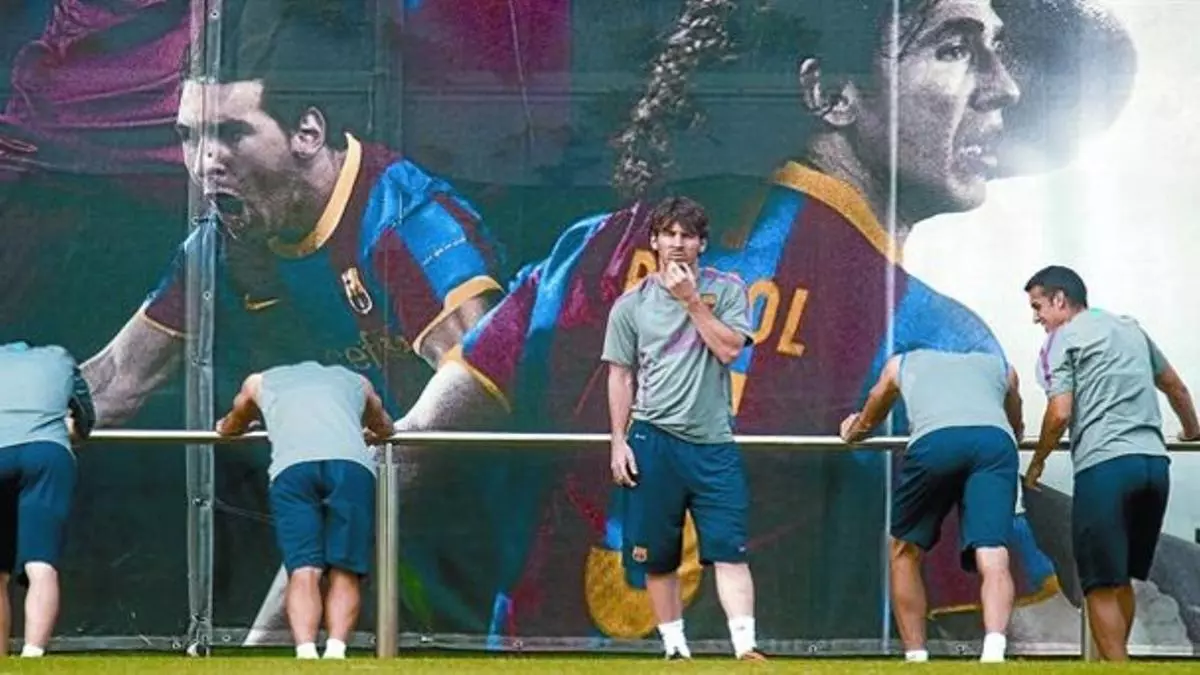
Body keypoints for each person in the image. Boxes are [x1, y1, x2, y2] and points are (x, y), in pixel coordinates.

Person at [390, 0, 1136, 643]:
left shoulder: (593, 249)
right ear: (832, 94)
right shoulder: (935, 337)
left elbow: (412, 455)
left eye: (995, 49)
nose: (1005, 86)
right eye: (954, 48)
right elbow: (1028, 629)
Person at [75, 0, 505, 640]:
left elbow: (472, 386)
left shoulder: (406, 220)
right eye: (189, 136)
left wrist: (268, 637)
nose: (205, 161)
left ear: (306, 131)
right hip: (363, 510)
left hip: (480, 524)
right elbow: (114, 381)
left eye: (230, 132)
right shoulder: (222, 245)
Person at [602, 197, 762, 661]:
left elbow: (730, 350)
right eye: (668, 234)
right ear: (653, 241)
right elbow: (620, 375)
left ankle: (746, 649)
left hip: (714, 443)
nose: (677, 243)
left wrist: (691, 301)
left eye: (687, 235)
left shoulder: (727, 290)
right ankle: (675, 650)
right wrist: (618, 442)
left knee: (729, 549)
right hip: (652, 439)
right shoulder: (630, 305)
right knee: (658, 555)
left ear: (701, 244)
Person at [1023, 265, 1200, 661]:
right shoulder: (1131, 329)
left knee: (1099, 582)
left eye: (1037, 307)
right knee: (1122, 579)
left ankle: (1117, 668)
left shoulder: (1060, 340)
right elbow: (1175, 387)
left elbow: (1060, 412)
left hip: (1105, 467)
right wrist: (1192, 432)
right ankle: (1121, 663)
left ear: (1059, 300)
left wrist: (1037, 463)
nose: (1036, 318)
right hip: (1154, 468)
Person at [840, 348, 1025, 662]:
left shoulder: (900, 364)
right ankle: (994, 651)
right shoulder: (1003, 368)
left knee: (904, 549)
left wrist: (853, 429)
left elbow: (874, 406)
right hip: (995, 444)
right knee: (993, 551)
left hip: (935, 442)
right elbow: (1015, 422)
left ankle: (916, 654)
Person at [215, 361, 394, 659]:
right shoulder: (358, 382)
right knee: (345, 569)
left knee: (303, 568)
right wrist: (362, 428)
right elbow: (384, 426)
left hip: (293, 468)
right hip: (350, 466)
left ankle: (306, 652)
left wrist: (226, 427)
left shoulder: (258, 382)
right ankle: (336, 651)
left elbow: (233, 424)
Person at [0, 341, 94, 658]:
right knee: (41, 563)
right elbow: (86, 418)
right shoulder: (60, 358)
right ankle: (33, 655)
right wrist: (75, 431)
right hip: (47, 453)